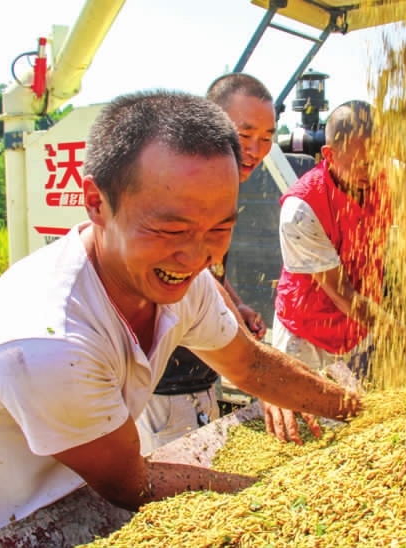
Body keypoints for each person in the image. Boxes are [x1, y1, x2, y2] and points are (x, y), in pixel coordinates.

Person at [0, 90, 361, 548]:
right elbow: (130, 483)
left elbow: (251, 365)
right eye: (171, 229)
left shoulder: (183, 279)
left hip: (75, 503)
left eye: (220, 228)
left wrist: (357, 412)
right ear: (97, 203)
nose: (199, 254)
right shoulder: (51, 341)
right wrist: (284, 496)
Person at [265, 100, 406, 444]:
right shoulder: (301, 208)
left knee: (359, 430)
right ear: (328, 153)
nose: (369, 170)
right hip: (305, 333)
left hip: (359, 329)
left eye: (376, 158)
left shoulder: (396, 178)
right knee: (304, 438)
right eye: (358, 161)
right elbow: (344, 296)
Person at [134, 73, 277, 456]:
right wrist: (261, 371)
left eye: (267, 137)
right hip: (163, 381)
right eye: (244, 133)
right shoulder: (182, 186)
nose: (255, 149)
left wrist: (238, 305)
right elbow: (191, 272)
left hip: (199, 372)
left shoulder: (219, 187)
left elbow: (209, 271)